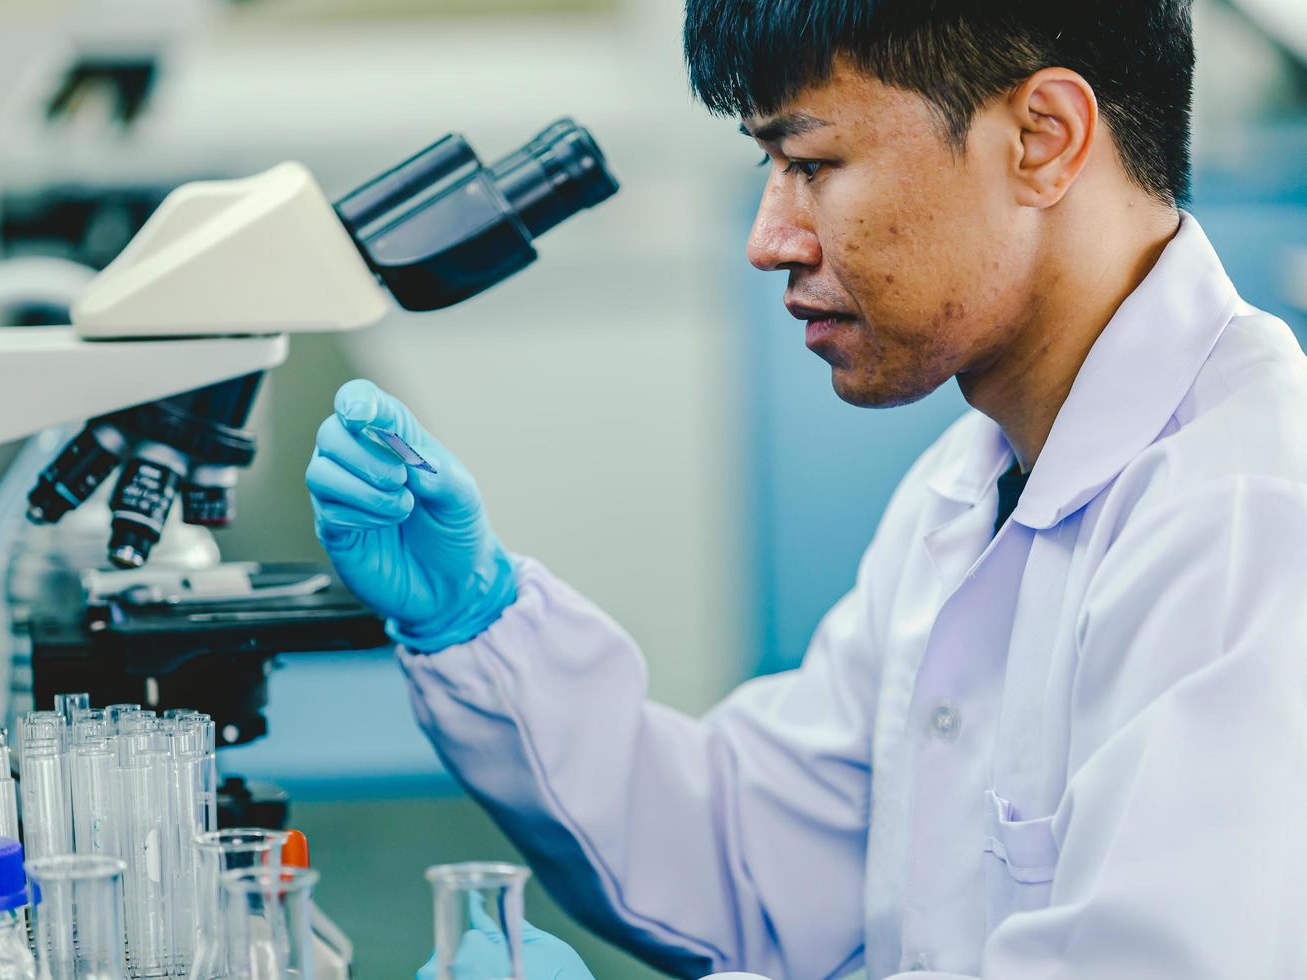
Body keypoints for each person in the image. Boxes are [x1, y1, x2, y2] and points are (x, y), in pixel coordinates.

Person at [306, 2, 1307, 977]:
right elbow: (755, 868)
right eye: (769, 166)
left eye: (812, 163)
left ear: (1043, 139)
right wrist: (481, 625)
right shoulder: (968, 488)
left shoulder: (1245, 524)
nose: (769, 237)